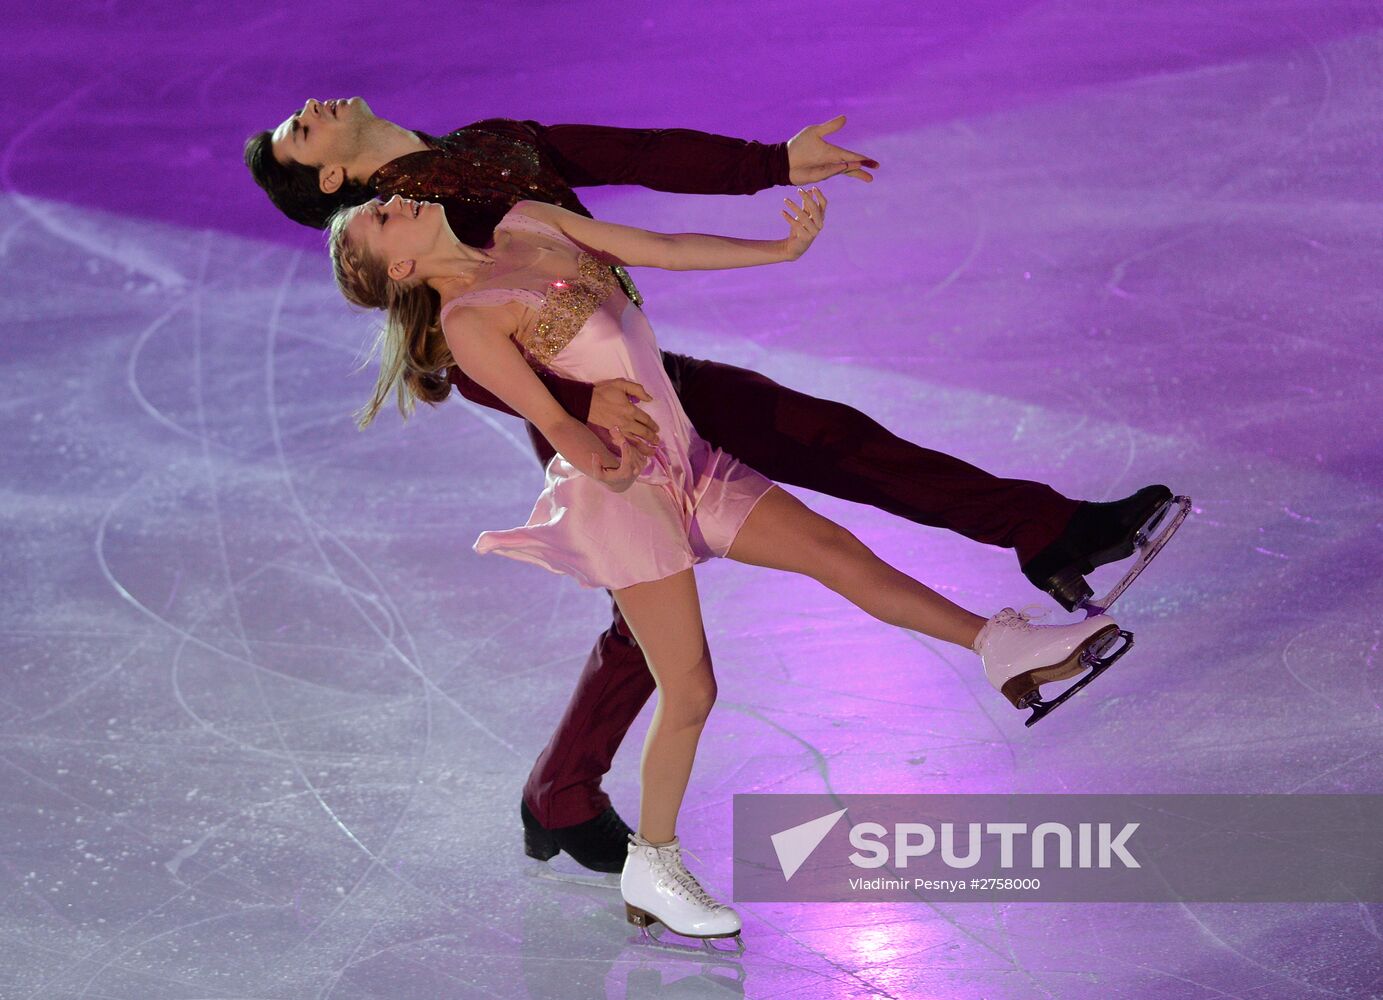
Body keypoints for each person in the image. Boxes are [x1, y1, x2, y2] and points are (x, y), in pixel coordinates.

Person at [244, 97, 1176, 875]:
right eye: (298, 134)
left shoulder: (482, 145)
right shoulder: (403, 229)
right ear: (332, 180)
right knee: (660, 615)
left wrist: (770, 162)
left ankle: (1045, 532)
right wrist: (580, 407)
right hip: (608, 425)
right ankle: (565, 795)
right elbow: (463, 344)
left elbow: (637, 154)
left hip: (650, 376)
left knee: (827, 448)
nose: (310, 112)